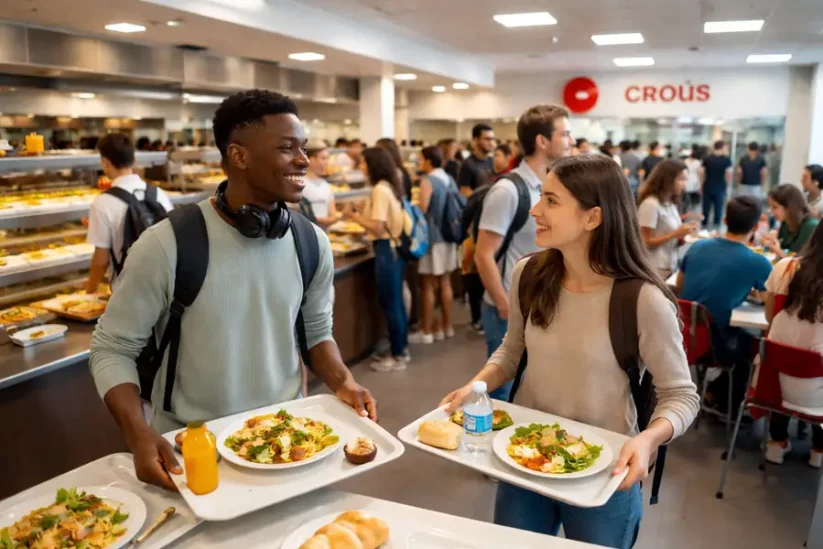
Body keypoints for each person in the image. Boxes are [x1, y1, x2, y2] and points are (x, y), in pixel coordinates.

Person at [89, 90, 376, 490]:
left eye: (304, 148)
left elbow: (316, 330)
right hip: (195, 453)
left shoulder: (311, 242)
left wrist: (343, 380)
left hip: (289, 442)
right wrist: (137, 431)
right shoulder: (166, 245)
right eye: (286, 148)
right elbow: (111, 348)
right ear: (238, 156)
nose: (304, 160)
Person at [441, 154, 699, 549]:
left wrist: (648, 439)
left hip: (604, 471)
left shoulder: (643, 300)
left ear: (593, 217)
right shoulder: (528, 274)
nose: (535, 210)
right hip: (523, 456)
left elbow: (681, 395)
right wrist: (474, 387)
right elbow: (511, 352)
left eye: (551, 200)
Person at [476, 104, 572, 401]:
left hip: (542, 306)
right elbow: (483, 254)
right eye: (565, 134)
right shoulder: (508, 190)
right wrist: (506, 306)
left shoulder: (552, 186)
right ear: (543, 141)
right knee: (502, 389)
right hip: (509, 307)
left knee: (533, 388)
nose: (570, 141)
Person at [676, 196, 773, 413]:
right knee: (753, 350)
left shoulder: (698, 247)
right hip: (715, 343)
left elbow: (681, 286)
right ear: (756, 227)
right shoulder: (757, 262)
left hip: (683, 335)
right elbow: (771, 305)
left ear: (725, 219)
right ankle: (724, 404)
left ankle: (711, 392)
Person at [342, 147, 409, 371]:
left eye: (363, 163)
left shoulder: (380, 190)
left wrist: (354, 216)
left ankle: (398, 354)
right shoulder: (388, 187)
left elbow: (378, 226)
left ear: (372, 165)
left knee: (391, 303)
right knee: (396, 302)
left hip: (385, 250)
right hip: (394, 249)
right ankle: (400, 349)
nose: (360, 167)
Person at [84, 133, 174, 294]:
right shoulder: (159, 194)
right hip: (163, 287)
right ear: (133, 160)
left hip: (127, 294)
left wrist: (89, 291)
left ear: (105, 162)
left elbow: (101, 260)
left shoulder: (102, 203)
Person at [764, 223, 823, 466]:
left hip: (772, 387)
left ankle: (777, 442)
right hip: (818, 394)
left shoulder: (784, 267)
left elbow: (769, 317)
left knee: (780, 356)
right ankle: (819, 450)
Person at [410, 146, 459, 344]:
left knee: (428, 284)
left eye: (421, 159)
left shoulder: (428, 180)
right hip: (449, 236)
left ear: (429, 161)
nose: (419, 163)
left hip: (432, 238)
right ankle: (447, 326)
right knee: (445, 281)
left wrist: (410, 206)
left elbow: (423, 207)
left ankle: (427, 330)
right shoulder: (449, 178)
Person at [637, 159, 696, 279]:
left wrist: (682, 234)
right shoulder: (651, 204)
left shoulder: (670, 203)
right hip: (654, 268)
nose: (684, 184)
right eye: (681, 179)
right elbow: (645, 242)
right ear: (667, 180)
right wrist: (675, 234)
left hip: (669, 264)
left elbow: (670, 234)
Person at [764, 184, 819, 258]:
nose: (771, 211)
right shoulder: (786, 222)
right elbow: (783, 249)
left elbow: (801, 261)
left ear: (790, 207)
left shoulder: (810, 226)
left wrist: (779, 252)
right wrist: (773, 242)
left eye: (775, 207)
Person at [302, 142, 337, 228]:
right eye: (323, 158)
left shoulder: (326, 185)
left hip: (323, 236)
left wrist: (318, 220)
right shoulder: (299, 184)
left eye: (327, 158)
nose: (326, 162)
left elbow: (333, 216)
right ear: (311, 159)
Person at [700, 140, 733, 229]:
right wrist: (728, 186)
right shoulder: (726, 160)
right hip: (720, 187)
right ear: (721, 148)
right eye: (725, 148)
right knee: (718, 208)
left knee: (705, 208)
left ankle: (704, 226)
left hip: (708, 185)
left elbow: (701, 172)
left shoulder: (707, 159)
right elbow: (728, 174)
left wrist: (701, 184)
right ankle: (716, 227)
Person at [458, 124, 495, 196]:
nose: (491, 143)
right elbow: (465, 192)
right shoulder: (468, 164)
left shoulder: (493, 161)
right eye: (487, 139)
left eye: (492, 139)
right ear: (476, 140)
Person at [683, 148, 702, 213]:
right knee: (694, 194)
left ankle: (686, 206)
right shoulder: (698, 162)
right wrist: (700, 184)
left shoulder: (685, 161)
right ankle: (693, 206)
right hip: (695, 179)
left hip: (687, 178)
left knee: (686, 194)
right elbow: (699, 173)